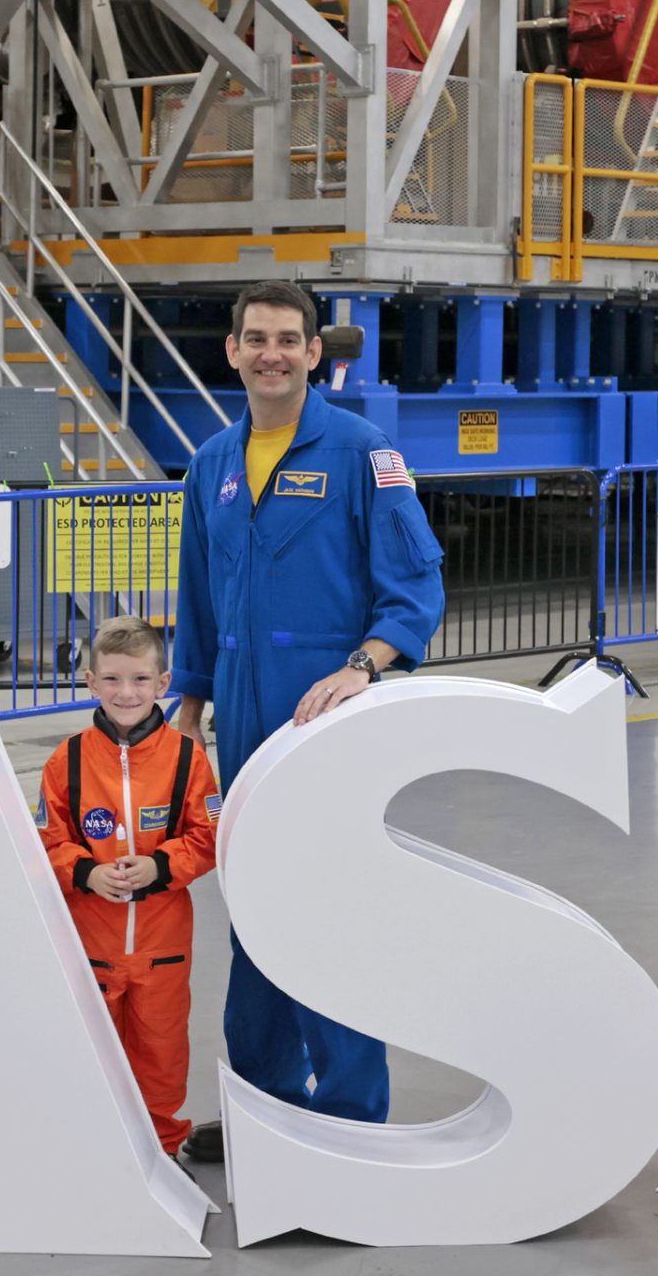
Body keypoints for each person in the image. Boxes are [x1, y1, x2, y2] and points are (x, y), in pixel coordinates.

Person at [171, 280, 446, 1161]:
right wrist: (187, 703)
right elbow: (199, 598)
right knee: (253, 909)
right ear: (233, 351)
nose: (271, 355)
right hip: (242, 719)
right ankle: (262, 1098)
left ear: (314, 354)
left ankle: (354, 1109)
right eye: (255, 339)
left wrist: (362, 666)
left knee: (329, 913)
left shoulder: (361, 451)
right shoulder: (212, 462)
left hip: (323, 714)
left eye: (288, 340)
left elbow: (416, 587)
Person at [37, 617, 219, 1158]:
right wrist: (86, 872)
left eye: (141, 680)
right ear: (90, 682)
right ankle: (98, 1151)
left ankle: (161, 1153)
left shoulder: (187, 759)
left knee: (161, 1054)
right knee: (89, 1052)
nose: (126, 693)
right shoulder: (65, 760)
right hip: (90, 945)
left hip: (162, 948)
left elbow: (209, 835)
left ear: (164, 685)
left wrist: (161, 867)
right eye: (113, 680)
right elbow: (45, 840)